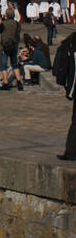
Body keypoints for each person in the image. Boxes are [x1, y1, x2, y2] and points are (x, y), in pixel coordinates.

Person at [53, 31, 76, 160]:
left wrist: (70, 90)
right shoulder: (72, 42)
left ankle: (71, 152)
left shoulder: (71, 41)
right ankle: (71, 151)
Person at [0, 7, 23, 90]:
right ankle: (19, 82)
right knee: (14, 64)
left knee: (3, 66)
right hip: (14, 45)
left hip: (5, 46)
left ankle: (6, 83)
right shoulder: (17, 23)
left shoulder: (3, 23)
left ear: (6, 15)